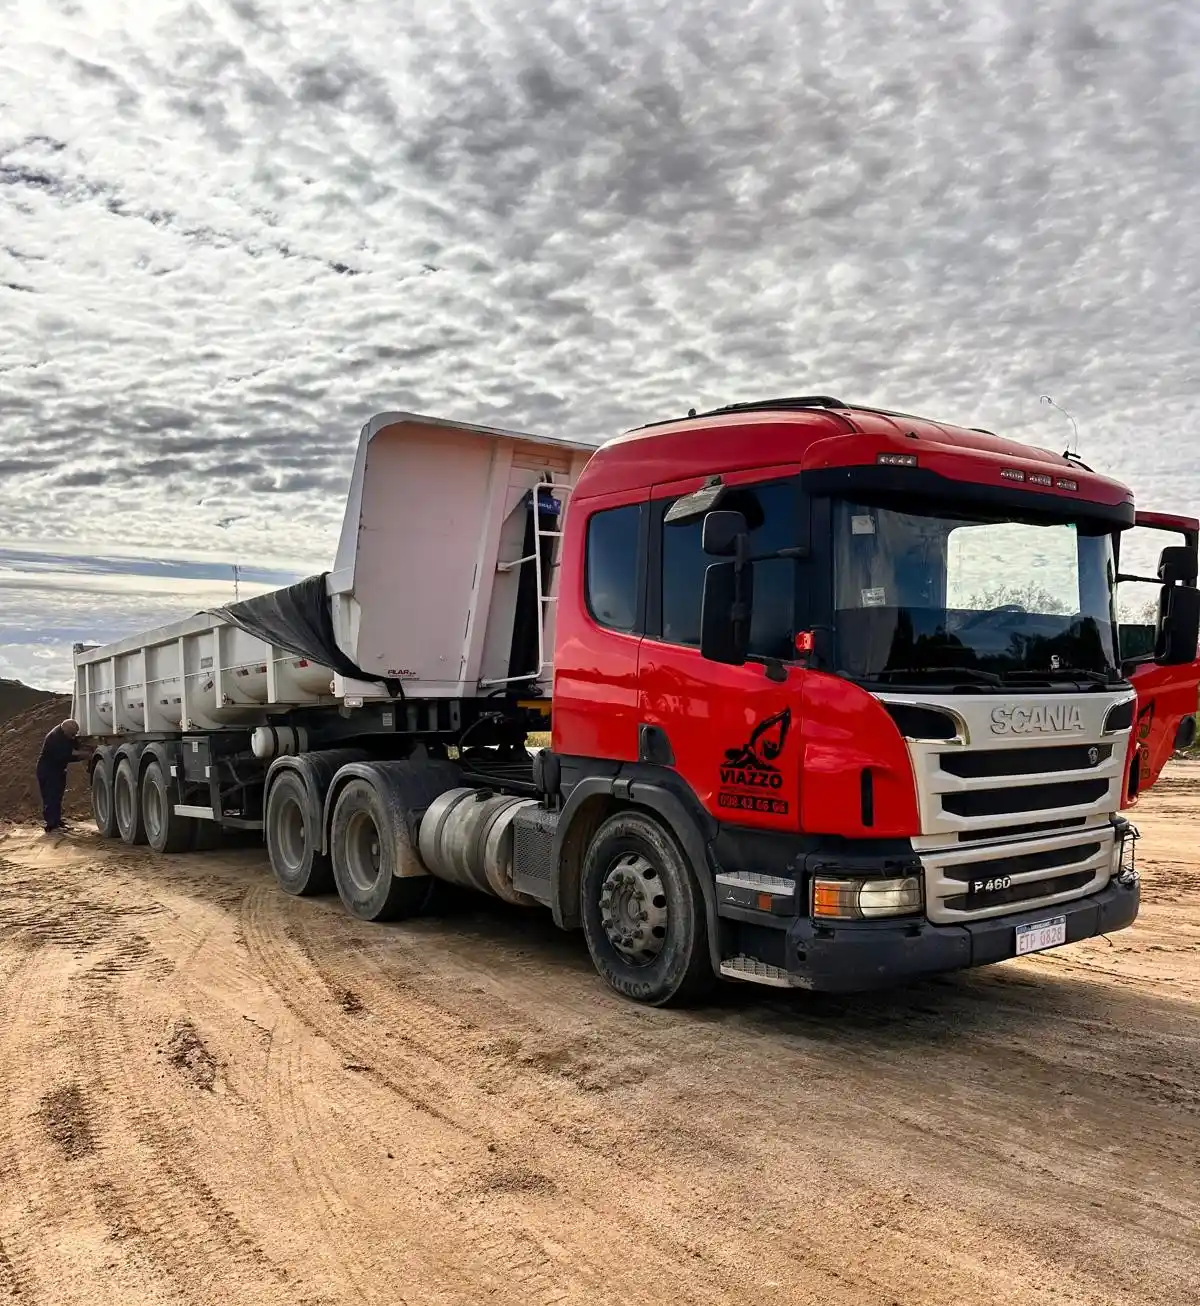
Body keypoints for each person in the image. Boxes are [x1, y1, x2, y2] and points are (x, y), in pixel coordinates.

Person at [37, 719, 86, 834]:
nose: (74, 736)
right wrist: (84, 755)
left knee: (57, 796)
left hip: (57, 770)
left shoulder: (65, 734)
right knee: (51, 796)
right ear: (66, 729)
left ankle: (57, 821)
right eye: (72, 734)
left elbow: (74, 746)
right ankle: (51, 825)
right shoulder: (54, 737)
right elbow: (66, 755)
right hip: (48, 771)